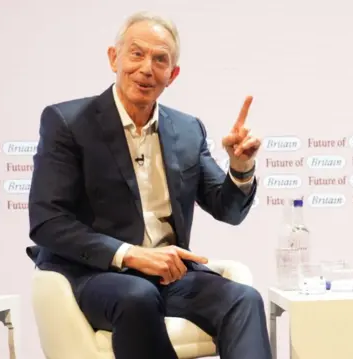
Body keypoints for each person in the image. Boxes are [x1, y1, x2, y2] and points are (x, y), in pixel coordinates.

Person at [26, 11, 271, 359]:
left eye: (160, 60)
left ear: (173, 75)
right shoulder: (67, 123)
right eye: (136, 54)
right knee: (137, 296)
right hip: (96, 273)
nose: (146, 68)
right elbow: (47, 221)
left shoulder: (187, 130)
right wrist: (133, 256)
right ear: (114, 58)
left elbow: (227, 209)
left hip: (171, 278)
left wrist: (241, 167)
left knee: (244, 298)